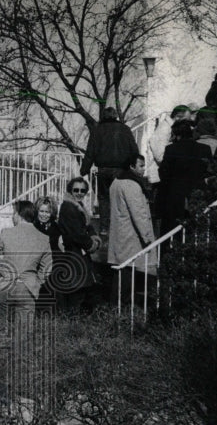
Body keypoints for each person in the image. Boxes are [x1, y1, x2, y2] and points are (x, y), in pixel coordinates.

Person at [0, 200, 53, 401]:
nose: (12, 216)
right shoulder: (43, 238)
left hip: (5, 286)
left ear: (19, 214)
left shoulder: (7, 233)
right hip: (28, 289)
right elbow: (48, 267)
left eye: (13, 213)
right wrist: (36, 281)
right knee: (24, 339)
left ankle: (1, 388)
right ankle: (21, 387)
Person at [79, 106, 139, 234]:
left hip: (103, 169)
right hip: (121, 169)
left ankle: (104, 228)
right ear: (115, 116)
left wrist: (84, 169)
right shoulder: (125, 129)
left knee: (104, 198)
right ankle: (119, 227)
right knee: (120, 198)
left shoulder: (97, 130)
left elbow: (90, 151)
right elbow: (134, 150)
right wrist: (134, 167)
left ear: (103, 117)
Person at [106, 154, 157, 305]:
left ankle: (117, 308)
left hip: (120, 233)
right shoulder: (131, 185)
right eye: (141, 165)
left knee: (122, 273)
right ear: (131, 166)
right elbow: (139, 213)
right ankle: (120, 310)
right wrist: (147, 237)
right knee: (127, 273)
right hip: (130, 235)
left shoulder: (116, 182)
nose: (144, 169)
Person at [157, 119, 213, 236]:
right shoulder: (205, 149)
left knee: (174, 228)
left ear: (177, 135)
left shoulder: (171, 149)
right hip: (198, 193)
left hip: (176, 195)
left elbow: (163, 172)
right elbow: (210, 171)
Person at [56, 177, 100, 311]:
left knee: (81, 288)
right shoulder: (69, 207)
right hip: (73, 253)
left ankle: (74, 321)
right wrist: (91, 244)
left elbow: (87, 226)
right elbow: (77, 234)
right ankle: (71, 323)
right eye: (76, 190)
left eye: (83, 190)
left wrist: (93, 236)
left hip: (79, 251)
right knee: (77, 289)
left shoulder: (78, 206)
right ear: (70, 190)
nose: (79, 193)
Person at [34, 196, 64, 309]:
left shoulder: (56, 227)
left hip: (54, 263)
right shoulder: (33, 227)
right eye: (41, 211)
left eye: (47, 212)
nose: (44, 215)